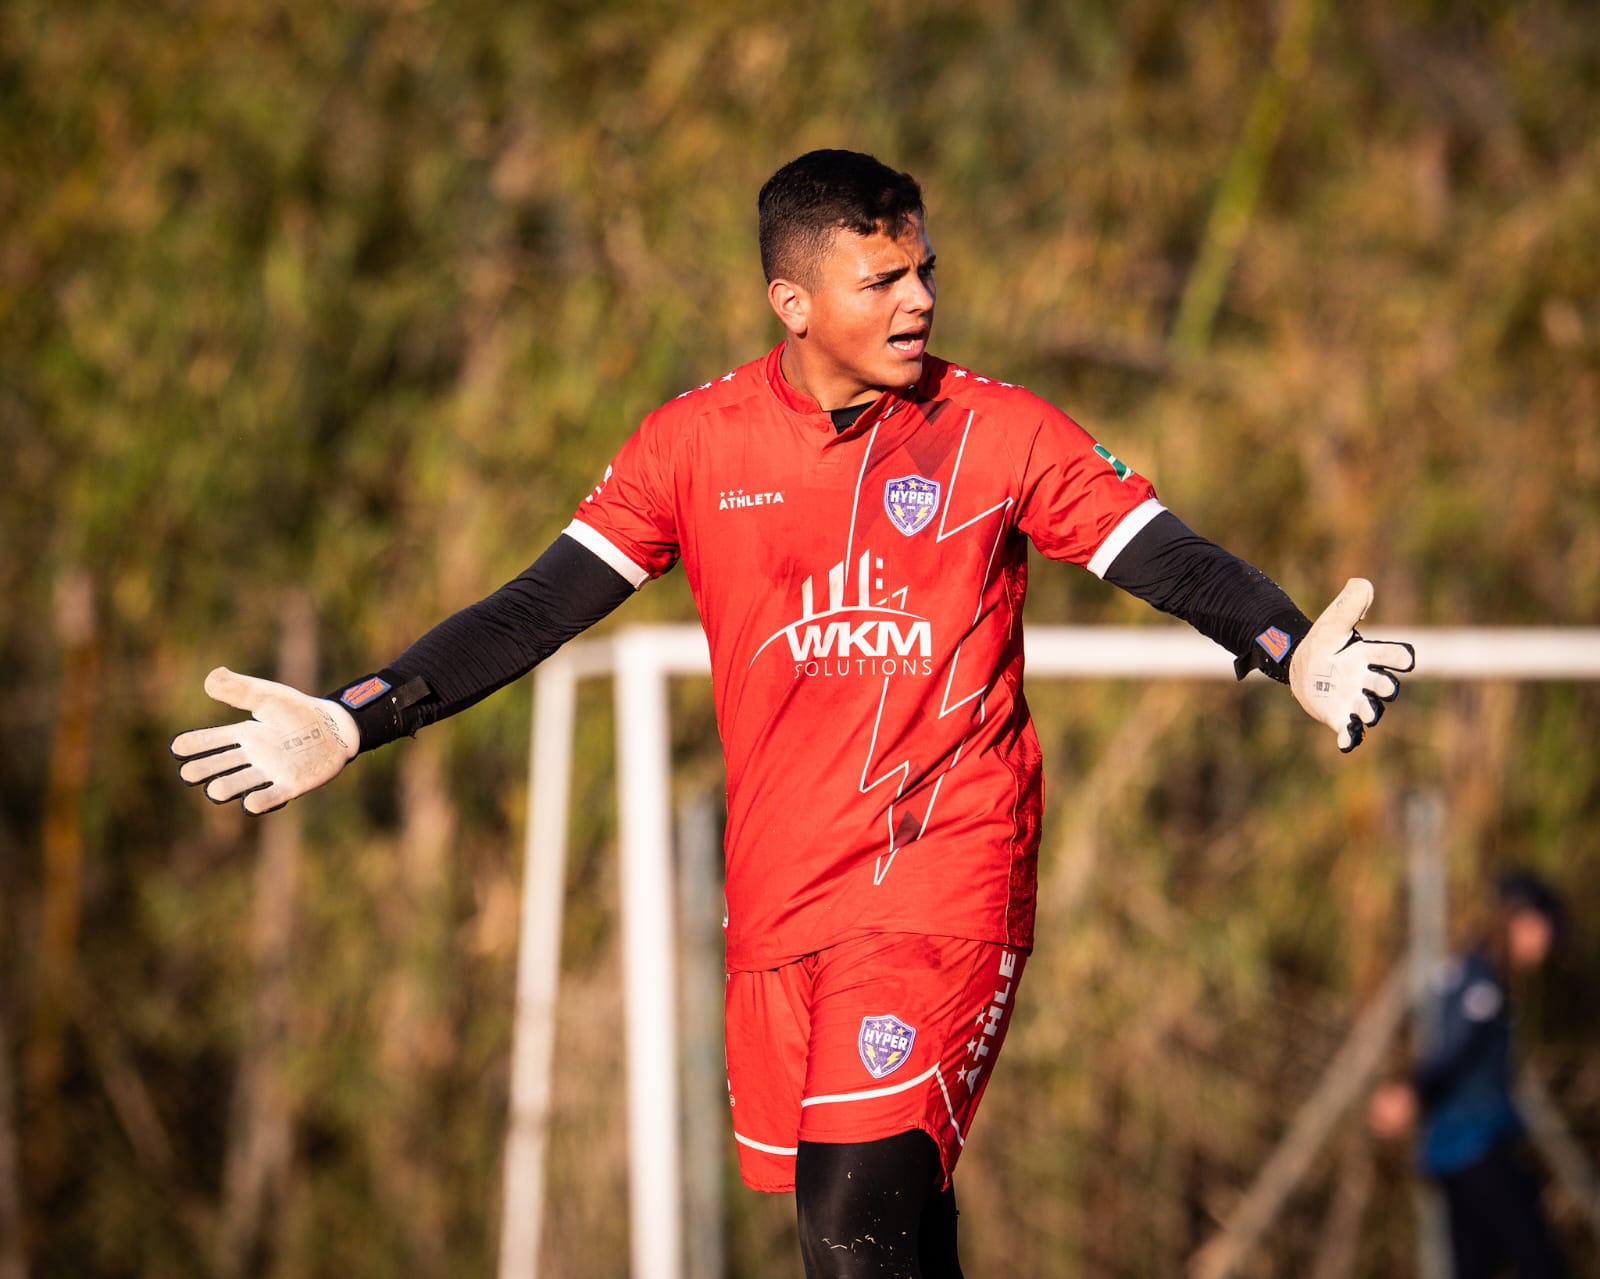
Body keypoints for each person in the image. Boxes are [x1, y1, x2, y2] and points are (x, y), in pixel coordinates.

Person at [172, 149, 1415, 1277]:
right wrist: (352, 717)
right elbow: (530, 610)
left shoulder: (998, 429)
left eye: (923, 268)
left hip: (941, 880)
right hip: (780, 905)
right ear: (794, 303)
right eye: (881, 279)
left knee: (849, 1226)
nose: (919, 299)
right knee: (886, 1237)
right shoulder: (691, 444)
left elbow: (1168, 554)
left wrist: (1284, 641)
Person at [1369, 871, 1568, 1279]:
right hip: (1475, 1146)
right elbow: (1455, 1051)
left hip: (1455, 1152)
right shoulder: (1482, 981)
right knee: (1541, 1261)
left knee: (1473, 1267)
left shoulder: (1472, 972)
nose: (1546, 945)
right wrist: (1410, 1090)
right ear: (1523, 923)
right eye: (1544, 931)